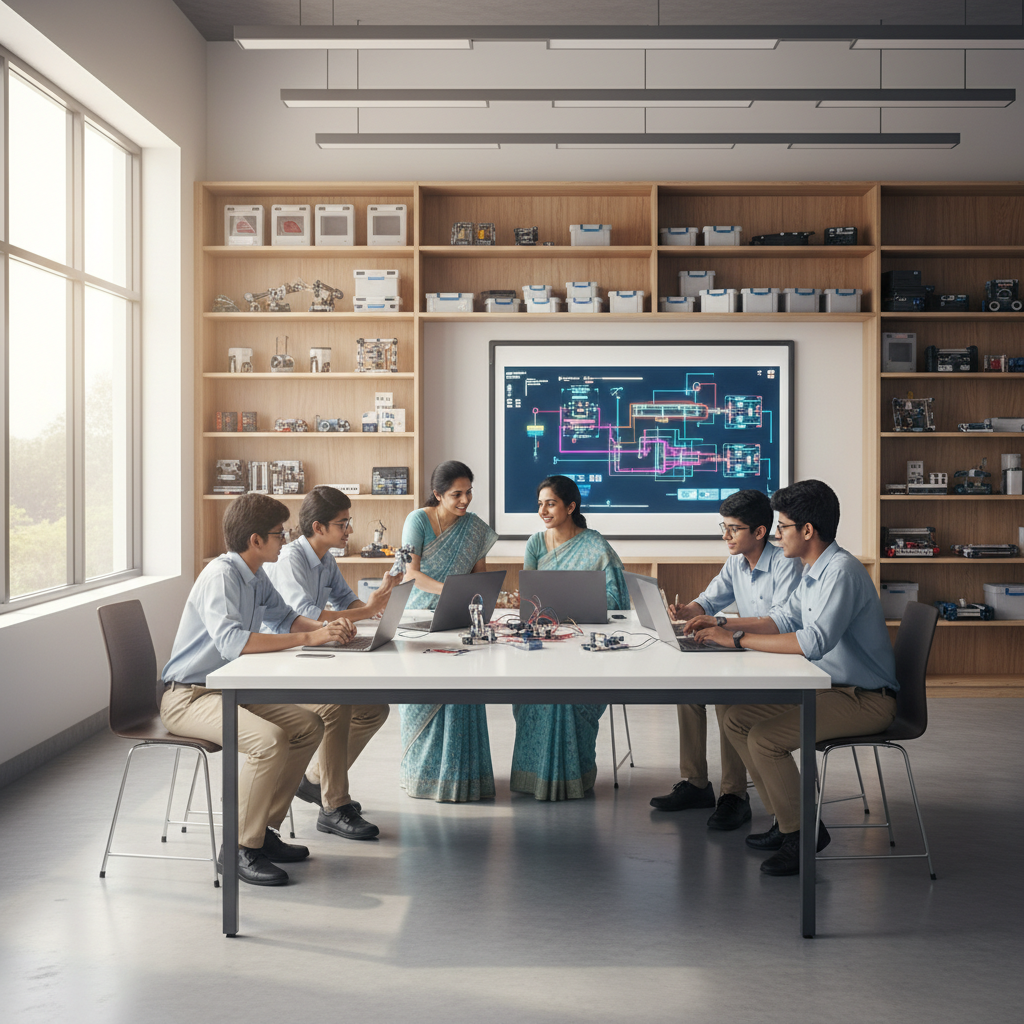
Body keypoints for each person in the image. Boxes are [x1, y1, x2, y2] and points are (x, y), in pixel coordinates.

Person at [691, 480, 899, 877]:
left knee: (765, 739)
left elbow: (814, 641)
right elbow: (786, 619)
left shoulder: (840, 572)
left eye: (782, 526)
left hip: (865, 698)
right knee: (737, 719)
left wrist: (735, 640)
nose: (775, 533)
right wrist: (722, 625)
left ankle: (801, 834)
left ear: (807, 531)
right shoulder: (813, 569)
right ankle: (787, 822)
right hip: (832, 688)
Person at [159, 493, 357, 887]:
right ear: (255, 540)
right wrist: (311, 639)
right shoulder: (222, 576)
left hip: (230, 689)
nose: (285, 541)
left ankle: (261, 832)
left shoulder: (254, 573)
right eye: (279, 534)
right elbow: (234, 642)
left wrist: (326, 631)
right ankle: (238, 848)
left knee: (307, 726)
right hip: (189, 696)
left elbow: (284, 617)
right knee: (268, 741)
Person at [649, 490, 803, 830]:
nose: (725, 535)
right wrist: (688, 611)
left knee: (724, 695)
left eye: (733, 529)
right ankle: (696, 783)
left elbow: (780, 622)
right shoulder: (736, 562)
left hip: (778, 659)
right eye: (724, 526)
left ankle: (734, 796)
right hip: (746, 651)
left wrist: (719, 623)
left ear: (760, 532)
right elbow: (708, 600)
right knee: (688, 693)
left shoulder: (786, 564)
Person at [263, 485, 393, 838]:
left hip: (313, 653)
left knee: (374, 709)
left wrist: (376, 605)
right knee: (335, 705)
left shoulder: (327, 559)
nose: (349, 529)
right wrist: (367, 611)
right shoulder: (290, 559)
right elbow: (306, 616)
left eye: (348, 521)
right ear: (318, 527)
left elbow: (348, 602)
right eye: (343, 523)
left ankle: (315, 781)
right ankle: (334, 805)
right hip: (282, 659)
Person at [510, 475, 629, 800]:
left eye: (550, 503)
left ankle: (570, 778)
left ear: (571, 506)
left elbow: (617, 602)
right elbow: (529, 600)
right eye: (540, 504)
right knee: (537, 692)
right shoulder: (536, 543)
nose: (543, 510)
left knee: (566, 695)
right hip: (542, 642)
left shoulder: (595, 545)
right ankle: (534, 779)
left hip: (586, 645)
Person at [398, 461, 498, 801]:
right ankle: (421, 780)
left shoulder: (474, 529)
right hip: (417, 622)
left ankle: (462, 781)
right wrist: (451, 590)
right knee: (420, 700)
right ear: (438, 494)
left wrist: (473, 600)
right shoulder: (418, 520)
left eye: (469, 492)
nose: (465, 500)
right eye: (457, 494)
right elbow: (411, 574)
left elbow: (478, 576)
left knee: (461, 696)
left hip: (457, 620)